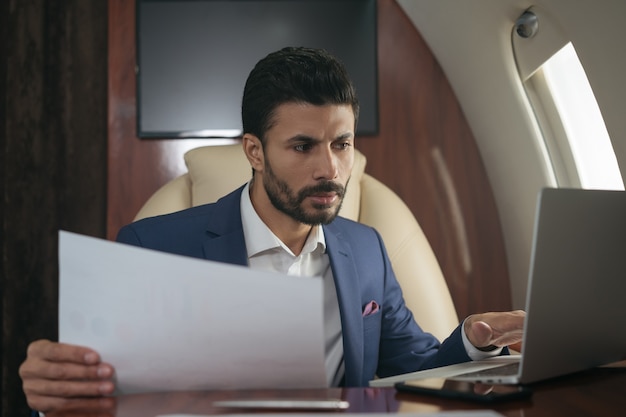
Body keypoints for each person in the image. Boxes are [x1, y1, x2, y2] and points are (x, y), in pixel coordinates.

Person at [19, 46, 525, 414]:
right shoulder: (152, 247)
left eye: (342, 144)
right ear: (254, 152)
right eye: (303, 146)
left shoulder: (366, 248)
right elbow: (102, 391)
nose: (330, 168)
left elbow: (416, 366)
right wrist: (58, 394)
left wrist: (475, 342)